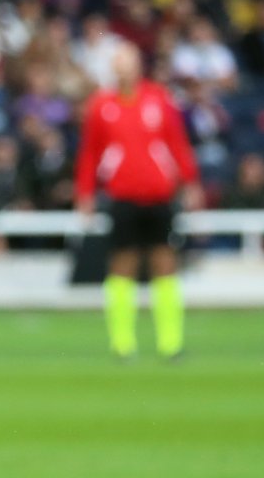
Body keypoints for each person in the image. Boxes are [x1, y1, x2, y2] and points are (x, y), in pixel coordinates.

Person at [74, 41, 203, 360]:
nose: (123, 68)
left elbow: (177, 143)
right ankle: (122, 344)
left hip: (159, 195)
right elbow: (89, 153)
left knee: (165, 264)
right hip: (122, 196)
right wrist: (85, 192)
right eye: (118, 63)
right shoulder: (101, 105)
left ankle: (170, 343)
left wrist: (190, 181)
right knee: (122, 265)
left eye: (128, 62)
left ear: (138, 66)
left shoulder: (159, 99)